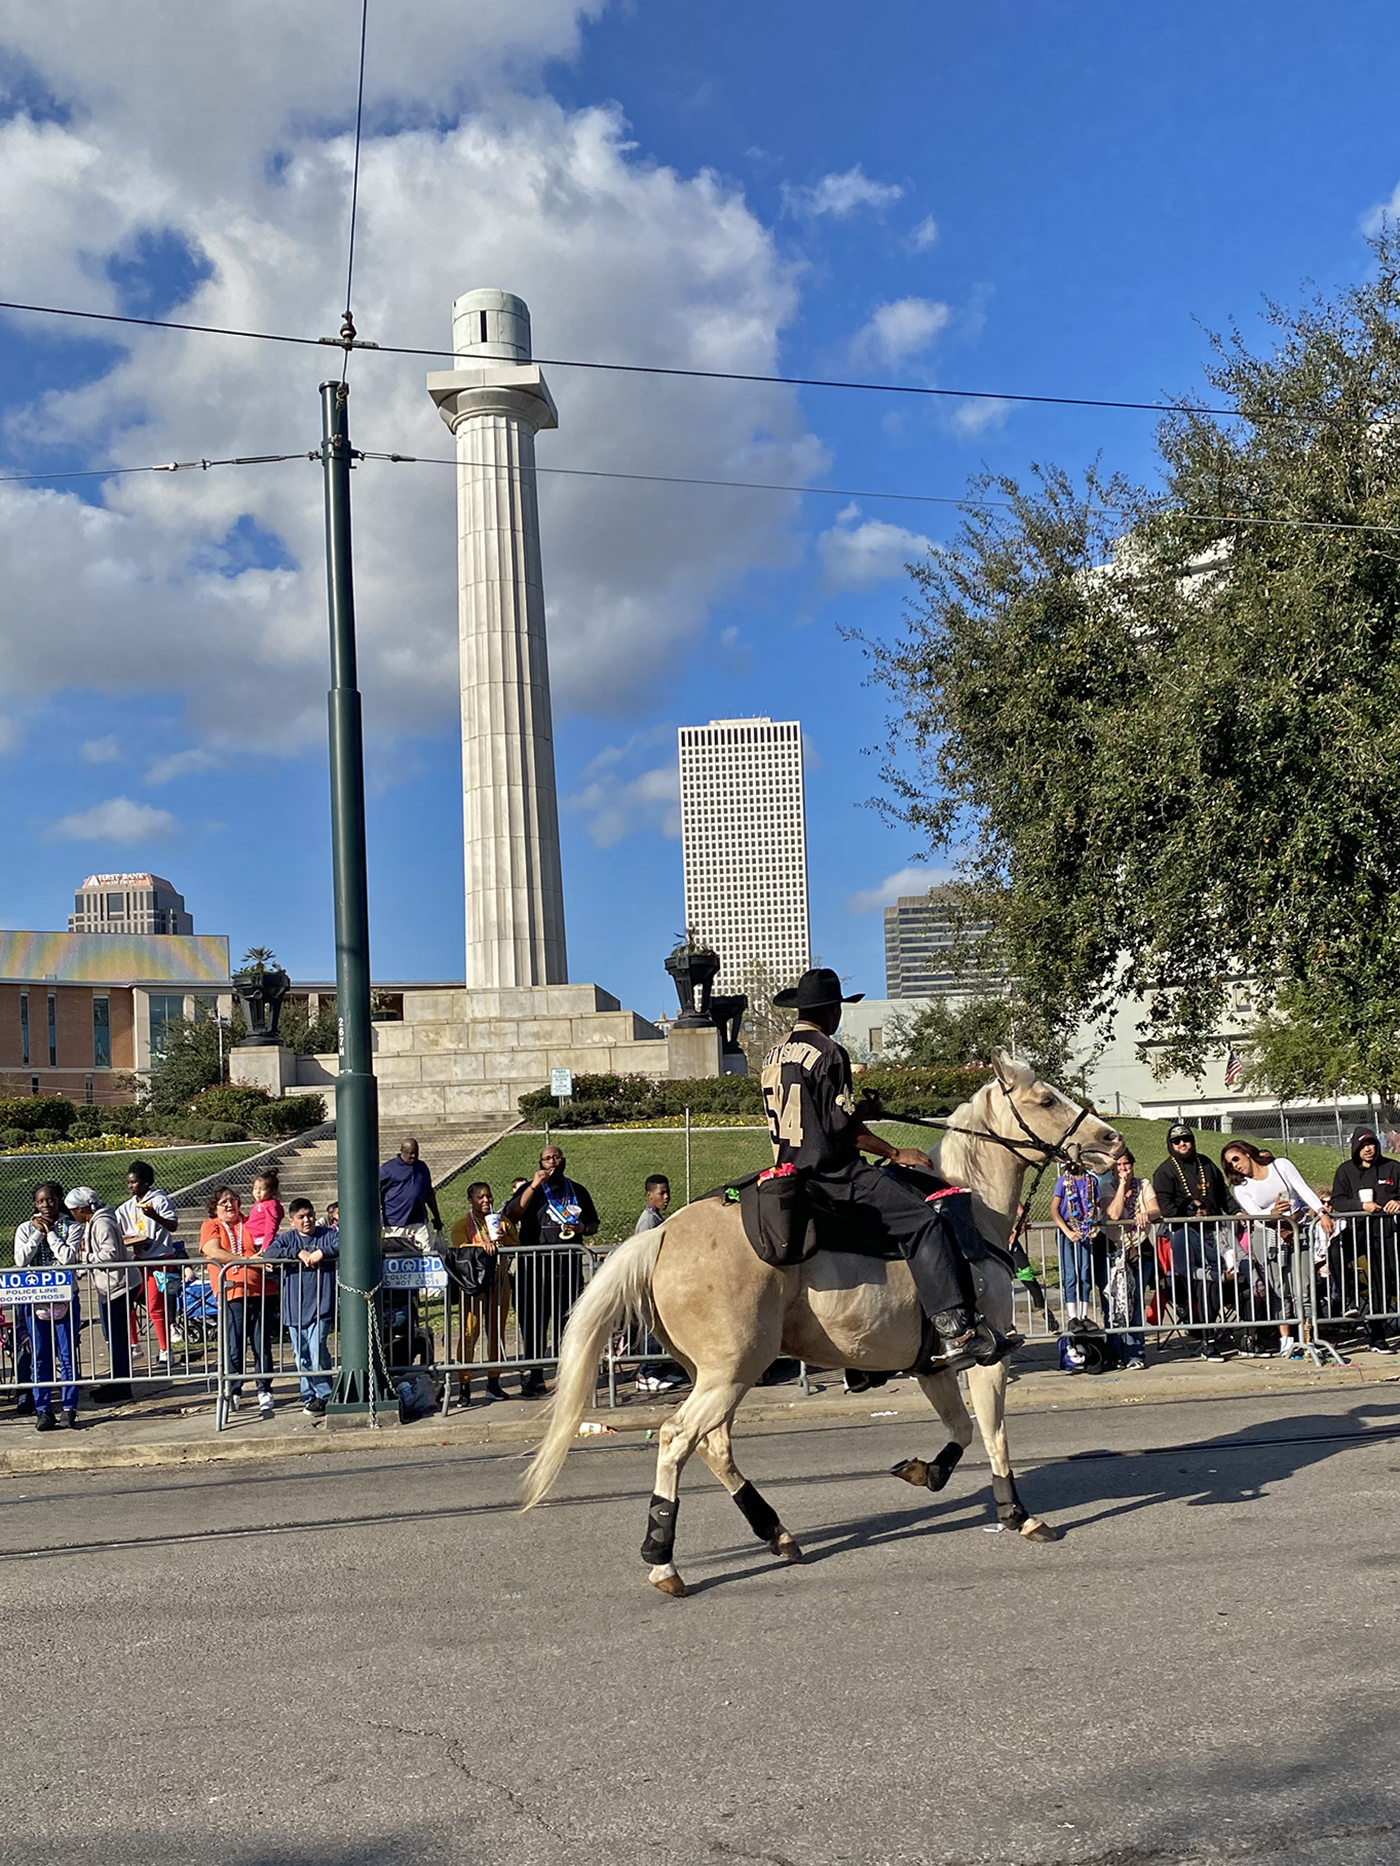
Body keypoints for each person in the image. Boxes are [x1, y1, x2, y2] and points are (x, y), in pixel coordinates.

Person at [760, 967, 1017, 1368]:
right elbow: (840, 1128)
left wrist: (864, 1111)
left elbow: (819, 1114)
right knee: (925, 1221)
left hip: (789, 1171)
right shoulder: (828, 1052)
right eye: (838, 1009)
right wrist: (895, 1152)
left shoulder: (774, 1053)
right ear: (830, 1011)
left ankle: (870, 1368)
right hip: (835, 1175)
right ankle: (959, 1331)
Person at [504, 1145, 599, 1398]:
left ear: (563, 1160)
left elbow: (593, 1225)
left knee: (566, 1324)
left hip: (566, 1268)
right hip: (534, 1268)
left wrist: (581, 1228)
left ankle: (566, 1376)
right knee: (534, 1322)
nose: (552, 1161)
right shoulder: (530, 1189)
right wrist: (533, 1185)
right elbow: (512, 1215)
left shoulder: (577, 1190)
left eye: (556, 1157)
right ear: (540, 1162)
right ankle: (534, 1376)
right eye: (547, 1158)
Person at [1222, 1139, 1332, 1355]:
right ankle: (1286, 1340)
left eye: (1236, 1159)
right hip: (1268, 1235)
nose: (1235, 1166)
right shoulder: (1241, 1188)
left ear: (1246, 1153)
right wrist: (1271, 1214)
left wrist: (1321, 1212)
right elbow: (1253, 1213)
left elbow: (1303, 1189)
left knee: (1305, 1285)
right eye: (1230, 1164)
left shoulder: (1280, 1166)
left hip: (1297, 1229)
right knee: (1279, 1289)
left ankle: (1308, 1336)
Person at [1150, 1124, 1235, 1358]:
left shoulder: (1206, 1163)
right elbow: (1165, 1208)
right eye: (1177, 1141)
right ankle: (1208, 1338)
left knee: (1241, 1277)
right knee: (1206, 1283)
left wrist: (1237, 1212)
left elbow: (1223, 1196)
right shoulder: (1165, 1171)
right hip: (1184, 1236)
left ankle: (1251, 1337)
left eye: (1186, 1139)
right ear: (1171, 1145)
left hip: (1215, 1233)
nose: (1182, 1144)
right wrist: (1190, 1215)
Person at [200, 1186, 275, 1416]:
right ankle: (234, 1390)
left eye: (233, 1200)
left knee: (262, 1344)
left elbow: (265, 1243)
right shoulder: (210, 1225)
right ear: (215, 1206)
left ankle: (265, 1389)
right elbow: (214, 1251)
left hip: (262, 1290)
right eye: (224, 1202)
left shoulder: (250, 1221)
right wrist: (247, 1261)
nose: (230, 1205)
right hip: (232, 1293)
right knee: (234, 1346)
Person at [14, 1181, 81, 1431]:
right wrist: (37, 1233)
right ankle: (43, 1410)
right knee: (40, 1358)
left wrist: (51, 1232)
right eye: (41, 1201)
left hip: (65, 1298)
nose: (46, 1205)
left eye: (51, 1200)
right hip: (36, 1300)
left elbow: (67, 1258)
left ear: (58, 1200)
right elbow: (21, 1260)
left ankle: (69, 1407)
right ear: (35, 1203)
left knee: (67, 1355)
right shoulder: (24, 1229)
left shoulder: (72, 1227)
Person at [265, 1198, 338, 1415]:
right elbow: (269, 1253)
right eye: (301, 1217)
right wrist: (297, 1252)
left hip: (321, 1304)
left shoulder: (327, 1235)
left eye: (310, 1215)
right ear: (292, 1221)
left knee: (317, 1351)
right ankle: (309, 1396)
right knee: (301, 1355)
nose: (307, 1220)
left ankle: (325, 1395)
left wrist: (321, 1253)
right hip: (294, 1307)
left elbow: (346, 1243)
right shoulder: (288, 1238)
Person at [1330, 1127, 1400, 1352]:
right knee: (1336, 1250)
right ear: (1355, 1148)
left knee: (1383, 1281)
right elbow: (1338, 1201)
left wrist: (1398, 1203)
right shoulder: (1346, 1170)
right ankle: (1347, 1297)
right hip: (1358, 1230)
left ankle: (1378, 1337)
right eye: (1363, 1146)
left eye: (1371, 1144)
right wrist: (1361, 1207)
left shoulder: (1393, 1167)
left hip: (1386, 1232)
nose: (1368, 1149)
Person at [66, 1186, 136, 1403]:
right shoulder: (94, 1221)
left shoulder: (102, 1222)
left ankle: (123, 1385)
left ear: (80, 1209)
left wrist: (84, 1257)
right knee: (112, 1336)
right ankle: (117, 1380)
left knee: (117, 1336)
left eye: (72, 1210)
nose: (71, 1215)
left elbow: (110, 1254)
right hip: (109, 1286)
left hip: (119, 1285)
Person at [447, 1181, 515, 1405]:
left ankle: (493, 1383)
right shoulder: (461, 1225)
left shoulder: (502, 1222)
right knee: (470, 1332)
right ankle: (464, 1387)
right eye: (480, 1197)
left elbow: (518, 1245)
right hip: (474, 1287)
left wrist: (505, 1239)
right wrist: (480, 1247)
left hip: (499, 1283)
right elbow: (459, 1249)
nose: (486, 1201)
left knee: (496, 1331)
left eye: (489, 1196)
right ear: (471, 1200)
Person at [116, 1160, 182, 1368]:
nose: (131, 1187)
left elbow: (172, 1226)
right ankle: (134, 1346)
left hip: (161, 1260)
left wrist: (154, 1216)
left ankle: (165, 1351)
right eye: (129, 1183)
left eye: (134, 1183)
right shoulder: (126, 1207)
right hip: (140, 1260)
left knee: (155, 1306)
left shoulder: (160, 1201)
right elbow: (118, 1230)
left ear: (146, 1182)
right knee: (126, 1300)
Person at [1097, 1148, 1155, 1368]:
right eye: (1119, 1165)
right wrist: (1121, 1185)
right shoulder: (1106, 1186)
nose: (1123, 1169)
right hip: (1112, 1248)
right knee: (1112, 1302)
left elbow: (1155, 1209)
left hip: (1138, 1249)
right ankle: (1114, 1353)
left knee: (1135, 1301)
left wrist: (1146, 1214)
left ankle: (1135, 1353)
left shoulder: (1143, 1184)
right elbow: (1113, 1213)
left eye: (1126, 1164)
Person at [633, 1176, 685, 1393]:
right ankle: (648, 1372)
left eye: (668, 1192)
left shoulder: (657, 1217)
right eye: (661, 1193)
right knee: (651, 1327)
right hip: (648, 1281)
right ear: (649, 1195)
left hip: (657, 1281)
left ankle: (659, 1368)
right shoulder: (648, 1221)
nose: (666, 1197)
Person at [1050, 1162, 1105, 1339]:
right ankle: (1072, 1315)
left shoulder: (1092, 1181)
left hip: (1084, 1232)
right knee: (1071, 1274)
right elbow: (1054, 1209)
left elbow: (1095, 1207)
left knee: (1084, 1272)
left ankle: (1083, 1315)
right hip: (1068, 1232)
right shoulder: (1063, 1181)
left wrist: (1093, 1225)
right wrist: (1067, 1231)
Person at [379, 1137, 442, 1247]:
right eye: (410, 1153)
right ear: (401, 1151)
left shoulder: (422, 1167)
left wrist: (437, 1217)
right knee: (398, 1255)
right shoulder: (388, 1169)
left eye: (416, 1153)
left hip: (419, 1221)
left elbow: (429, 1194)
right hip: (396, 1223)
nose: (414, 1156)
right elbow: (376, 1192)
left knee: (426, 1254)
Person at [245, 1169, 285, 1252]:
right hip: (252, 1240)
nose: (257, 1192)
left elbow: (271, 1225)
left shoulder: (271, 1205)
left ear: (273, 1191)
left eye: (262, 1189)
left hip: (262, 1242)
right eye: (255, 1188)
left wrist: (266, 1245)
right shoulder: (258, 1203)